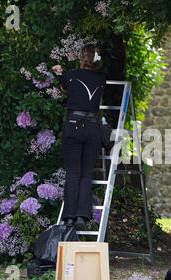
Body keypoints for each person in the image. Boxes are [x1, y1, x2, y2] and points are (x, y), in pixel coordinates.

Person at [59, 44, 106, 231]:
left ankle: (69, 216)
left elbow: (65, 87)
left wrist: (59, 72)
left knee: (73, 172)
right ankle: (82, 215)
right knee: (87, 173)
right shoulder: (102, 79)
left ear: (82, 57)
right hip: (93, 126)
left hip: (74, 125)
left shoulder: (71, 75)